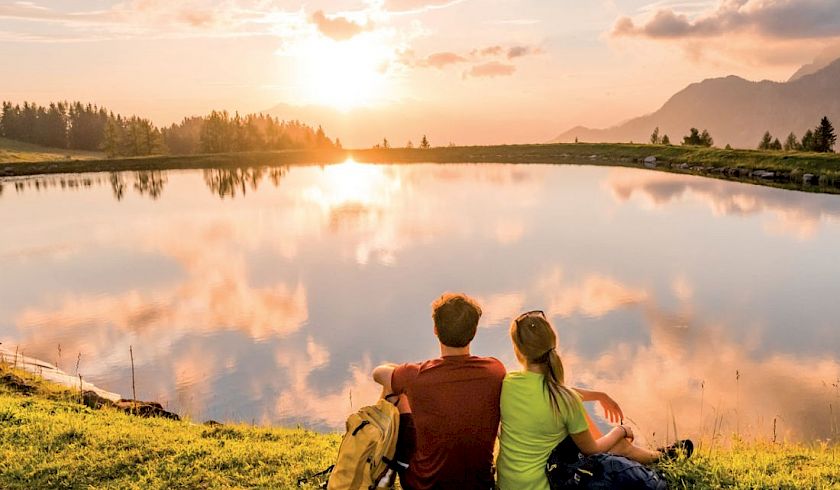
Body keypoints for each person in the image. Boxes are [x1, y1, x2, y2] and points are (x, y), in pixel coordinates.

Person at [496, 310, 692, 490]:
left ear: (518, 350)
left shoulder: (508, 382)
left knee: (611, 444)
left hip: (507, 484)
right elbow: (592, 449)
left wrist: (598, 395)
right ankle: (661, 457)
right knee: (616, 444)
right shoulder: (566, 400)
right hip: (550, 483)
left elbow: (546, 391)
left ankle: (659, 456)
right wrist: (620, 430)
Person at [372, 293, 506, 490]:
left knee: (394, 392)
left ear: (435, 330)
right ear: (474, 331)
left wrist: (399, 369)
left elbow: (378, 373)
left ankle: (388, 467)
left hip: (424, 485)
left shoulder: (416, 374)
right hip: (479, 485)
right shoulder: (495, 370)